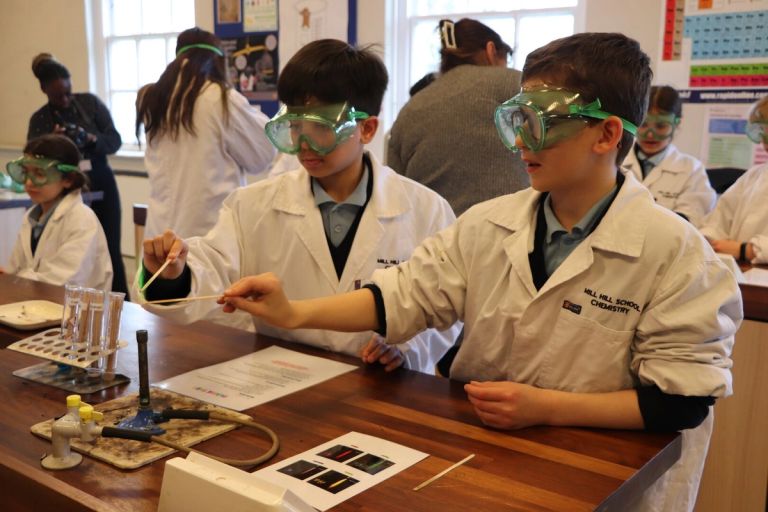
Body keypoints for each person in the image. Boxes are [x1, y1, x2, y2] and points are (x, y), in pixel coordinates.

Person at [218, 33, 742, 512]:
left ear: (605, 134)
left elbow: (682, 401)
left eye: (540, 123)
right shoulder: (488, 224)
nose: (521, 144)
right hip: (485, 457)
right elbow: (403, 295)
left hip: (603, 477)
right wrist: (293, 312)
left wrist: (547, 408)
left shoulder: (678, 255)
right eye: (517, 122)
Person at [136, 39, 459, 373]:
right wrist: (172, 274)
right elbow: (212, 266)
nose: (304, 143)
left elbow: (446, 305)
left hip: (380, 386)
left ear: (366, 128)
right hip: (283, 379)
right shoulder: (253, 206)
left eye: (321, 127)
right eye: (294, 126)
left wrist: (408, 347)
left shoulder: (426, 210)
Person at [136, 27, 275, 240]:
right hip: (207, 236)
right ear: (218, 62)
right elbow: (264, 154)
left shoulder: (151, 98)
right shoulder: (219, 98)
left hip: (159, 236)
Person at [387, 18, 528, 216]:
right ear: (491, 50)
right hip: (508, 227)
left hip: (434, 232)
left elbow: (395, 192)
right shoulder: (513, 83)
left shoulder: (409, 111)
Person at [27, 53, 127, 295]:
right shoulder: (40, 119)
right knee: (66, 251)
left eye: (68, 93)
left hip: (101, 180)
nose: (64, 100)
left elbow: (114, 140)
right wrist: (53, 142)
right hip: (63, 187)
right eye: (58, 96)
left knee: (111, 248)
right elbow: (32, 157)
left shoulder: (90, 104)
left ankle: (121, 304)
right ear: (44, 90)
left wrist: (91, 139)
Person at [0, 135, 112, 289]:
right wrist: (7, 277)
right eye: (25, 173)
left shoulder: (82, 219)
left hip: (73, 303)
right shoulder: (31, 217)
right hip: (33, 300)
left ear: (68, 179)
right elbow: (15, 269)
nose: (29, 182)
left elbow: (62, 283)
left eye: (40, 174)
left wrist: (13, 280)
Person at [622, 85, 715, 225]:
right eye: (643, 124)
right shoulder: (615, 161)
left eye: (661, 126)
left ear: (676, 124)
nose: (650, 134)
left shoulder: (692, 170)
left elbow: (689, 220)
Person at [700, 94, 768, 263]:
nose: (763, 140)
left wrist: (745, 250)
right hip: (737, 269)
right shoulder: (754, 176)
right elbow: (718, 222)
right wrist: (706, 239)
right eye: (761, 131)